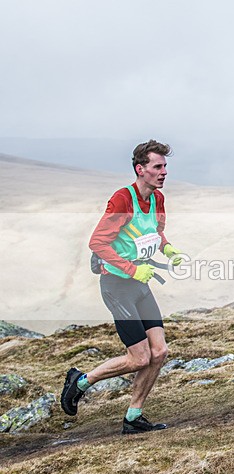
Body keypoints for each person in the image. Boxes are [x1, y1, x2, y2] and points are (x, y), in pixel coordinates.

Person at [60, 140, 184, 433]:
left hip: (140, 284)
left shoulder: (157, 199)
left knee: (160, 352)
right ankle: (79, 381)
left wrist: (169, 251)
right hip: (117, 285)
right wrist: (130, 269)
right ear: (141, 170)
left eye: (165, 166)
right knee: (139, 357)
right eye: (158, 166)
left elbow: (155, 234)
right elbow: (97, 242)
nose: (164, 172)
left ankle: (133, 417)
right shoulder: (122, 200)